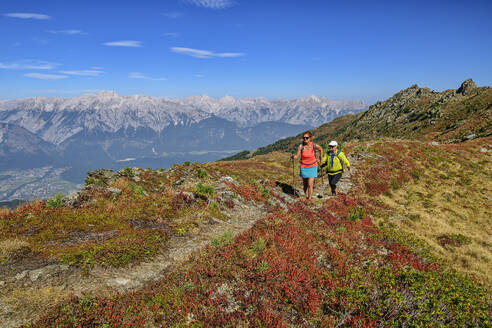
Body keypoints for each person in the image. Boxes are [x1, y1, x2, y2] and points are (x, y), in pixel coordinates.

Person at [291, 131, 323, 202]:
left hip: (313, 166)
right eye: (304, 138)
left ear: (310, 138)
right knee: (305, 184)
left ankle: (309, 199)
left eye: (307, 138)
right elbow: (297, 156)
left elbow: (321, 149)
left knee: (310, 184)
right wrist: (293, 157)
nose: (305, 139)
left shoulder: (314, 146)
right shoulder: (301, 146)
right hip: (304, 167)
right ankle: (306, 197)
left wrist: (321, 159)